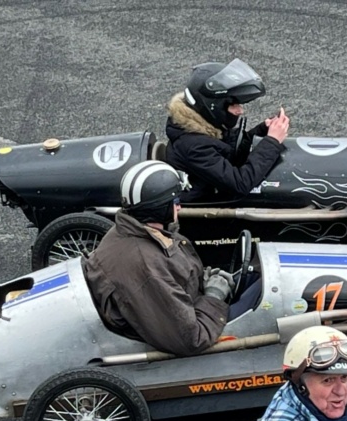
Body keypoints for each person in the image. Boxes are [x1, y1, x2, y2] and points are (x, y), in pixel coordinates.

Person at [82, 160, 236, 356]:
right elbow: (190, 339)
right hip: (183, 336)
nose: (179, 208)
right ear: (159, 208)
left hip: (182, 310)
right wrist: (214, 296)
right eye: (175, 202)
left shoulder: (128, 231)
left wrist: (203, 282)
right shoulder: (145, 267)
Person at [165, 59, 290, 204]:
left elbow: (228, 152)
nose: (240, 111)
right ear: (213, 106)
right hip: (204, 215)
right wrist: (272, 142)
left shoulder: (203, 126)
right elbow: (240, 183)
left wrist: (262, 131)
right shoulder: (194, 146)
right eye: (234, 105)